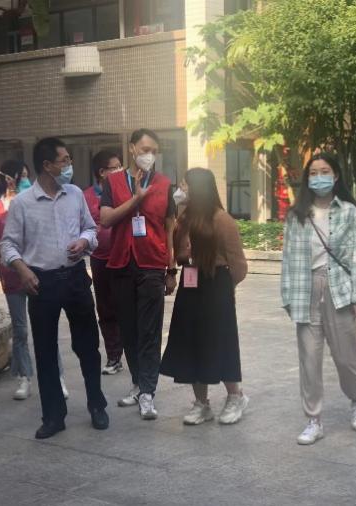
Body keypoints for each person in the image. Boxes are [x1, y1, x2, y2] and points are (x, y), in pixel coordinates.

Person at [0, 137, 108, 439]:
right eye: (65, 160)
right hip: (41, 283)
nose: (69, 165)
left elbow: (91, 228)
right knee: (45, 351)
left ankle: (97, 405)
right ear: (47, 165)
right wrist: (22, 269)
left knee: (88, 346)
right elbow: (8, 244)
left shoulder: (75, 194)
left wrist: (84, 241)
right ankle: (53, 416)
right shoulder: (23, 203)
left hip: (75, 278)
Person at [281, 152, 356, 445]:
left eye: (324, 171)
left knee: (346, 356)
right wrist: (288, 296)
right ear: (307, 178)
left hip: (339, 289)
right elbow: (288, 258)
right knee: (309, 358)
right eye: (313, 172)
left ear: (335, 176)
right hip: (305, 289)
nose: (319, 177)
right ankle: (313, 419)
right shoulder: (296, 215)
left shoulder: (348, 211)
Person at [160, 168, 249, 425]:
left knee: (220, 341)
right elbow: (177, 253)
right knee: (191, 341)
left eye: (185, 184)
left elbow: (239, 266)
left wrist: (223, 288)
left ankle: (235, 396)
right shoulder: (185, 218)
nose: (180, 189)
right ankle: (202, 403)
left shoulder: (222, 220)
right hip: (190, 284)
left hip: (215, 285)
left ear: (198, 188)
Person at [100, 128, 177, 420]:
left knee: (149, 331)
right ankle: (137, 383)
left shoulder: (164, 184)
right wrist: (135, 200)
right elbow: (105, 219)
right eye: (145, 149)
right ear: (132, 148)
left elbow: (169, 229)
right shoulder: (113, 181)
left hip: (152, 265)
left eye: (154, 151)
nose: (149, 155)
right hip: (121, 263)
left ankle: (148, 392)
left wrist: (171, 268)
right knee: (129, 330)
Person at [0, 159, 68, 400]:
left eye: (25, 175)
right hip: (12, 276)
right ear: (7, 178)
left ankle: (57, 376)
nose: (24, 180)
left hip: (40, 273)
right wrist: (15, 257)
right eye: (20, 175)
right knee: (20, 330)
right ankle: (24, 377)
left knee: (47, 327)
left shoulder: (34, 203)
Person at [84, 151, 124, 375]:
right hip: (100, 259)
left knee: (126, 306)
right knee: (106, 308)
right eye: (114, 167)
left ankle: (131, 350)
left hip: (123, 257)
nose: (119, 170)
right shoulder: (86, 196)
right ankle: (113, 356)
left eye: (120, 166)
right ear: (102, 172)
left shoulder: (123, 192)